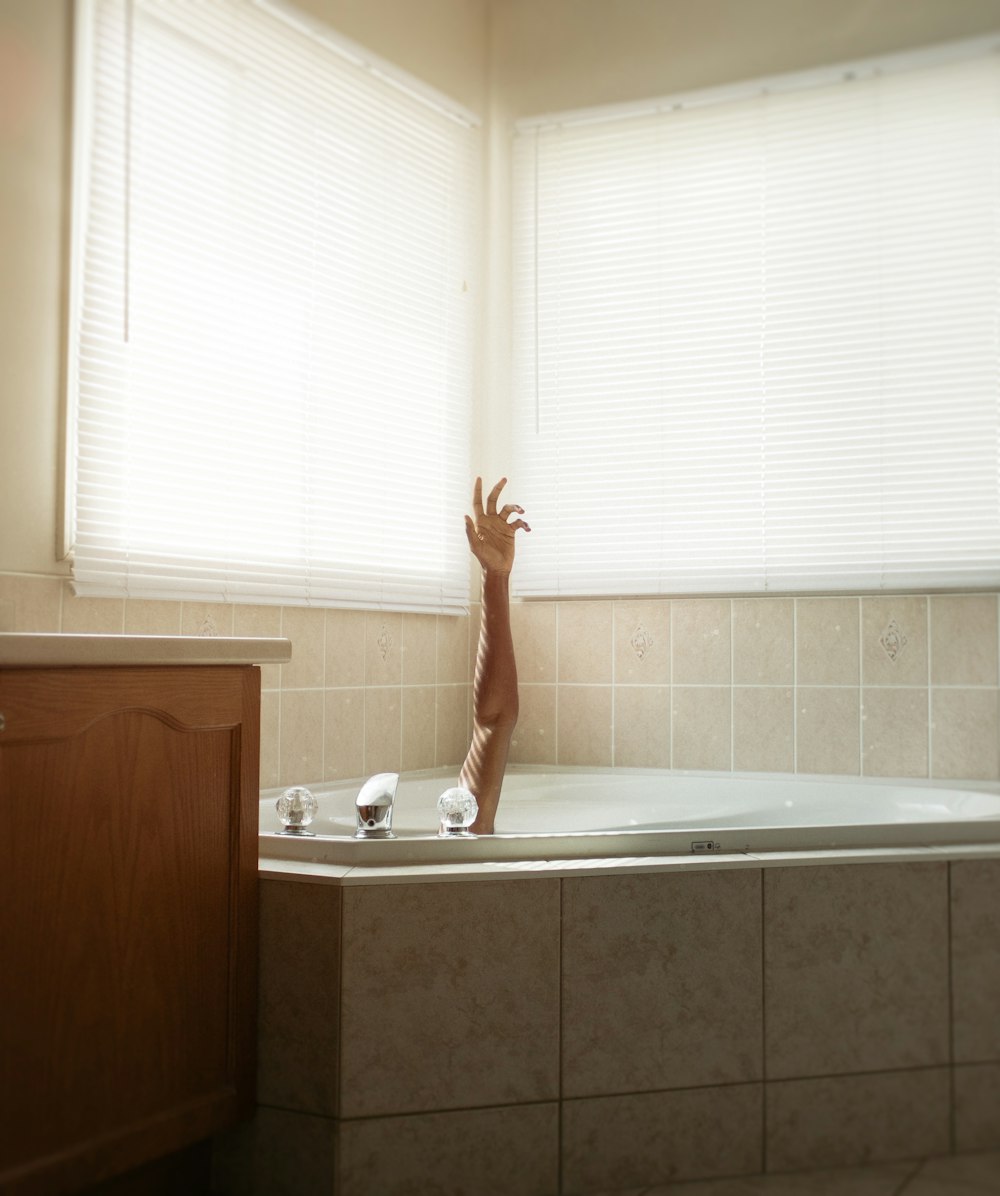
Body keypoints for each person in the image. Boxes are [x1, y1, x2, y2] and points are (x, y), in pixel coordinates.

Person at [459, 477, 530, 834]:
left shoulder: (461, 823)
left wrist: (496, 576)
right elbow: (495, 720)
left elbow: (495, 720)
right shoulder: (461, 826)